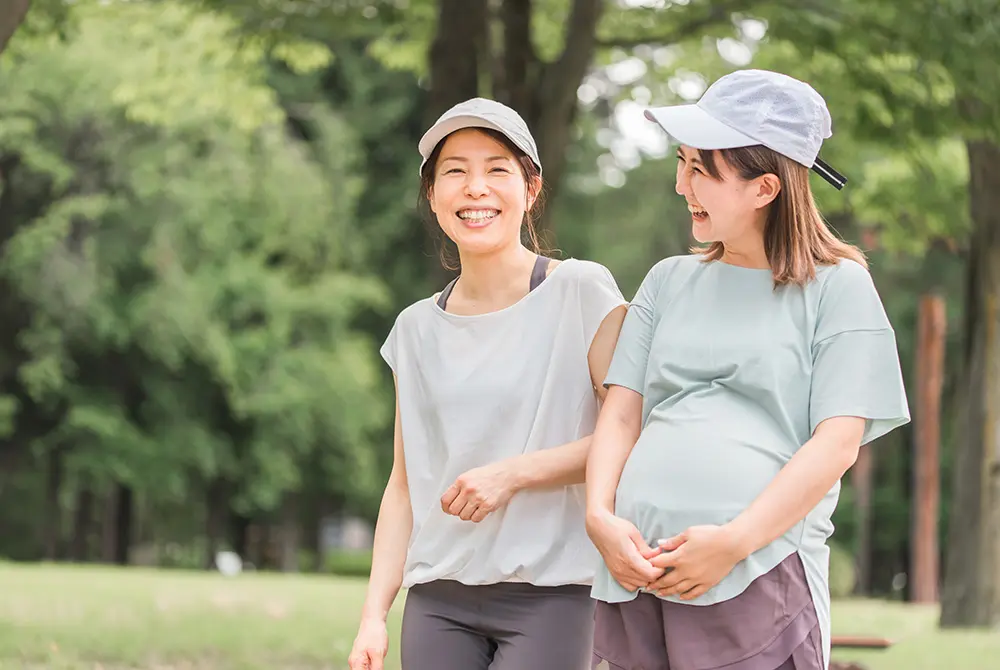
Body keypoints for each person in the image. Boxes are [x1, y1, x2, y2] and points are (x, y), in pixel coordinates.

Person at [585, 69, 911, 670]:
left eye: (700, 170)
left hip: (758, 576)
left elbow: (837, 443)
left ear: (764, 188)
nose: (681, 185)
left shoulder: (840, 288)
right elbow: (622, 411)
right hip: (635, 579)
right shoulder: (667, 280)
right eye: (681, 163)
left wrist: (734, 542)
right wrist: (599, 516)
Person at [347, 97, 629, 670]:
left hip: (556, 596)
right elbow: (404, 484)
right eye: (455, 171)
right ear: (432, 196)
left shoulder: (582, 291)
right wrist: (375, 614)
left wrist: (513, 475)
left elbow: (633, 433)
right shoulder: (415, 329)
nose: (476, 188)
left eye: (497, 169)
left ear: (531, 189)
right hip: (438, 602)